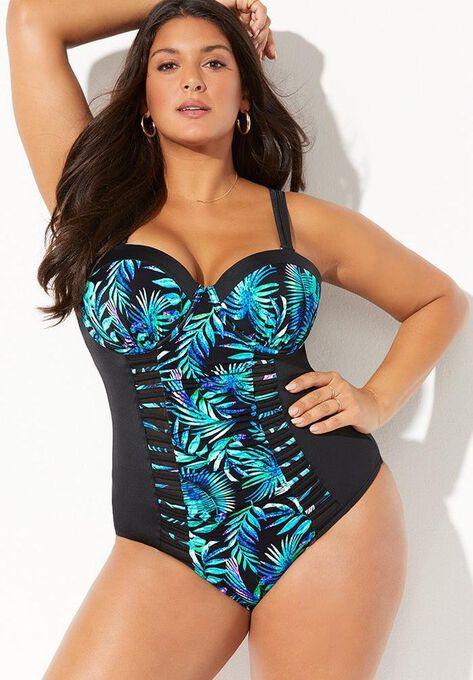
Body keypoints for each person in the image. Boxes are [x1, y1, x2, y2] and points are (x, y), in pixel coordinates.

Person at [6, 0, 469, 677]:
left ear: (245, 95)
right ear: (143, 101)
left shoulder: (300, 223)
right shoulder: (92, 205)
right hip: (167, 544)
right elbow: (32, 21)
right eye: (168, 65)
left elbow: (438, 299)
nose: (192, 79)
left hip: (328, 518)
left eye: (216, 62)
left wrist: (376, 400)